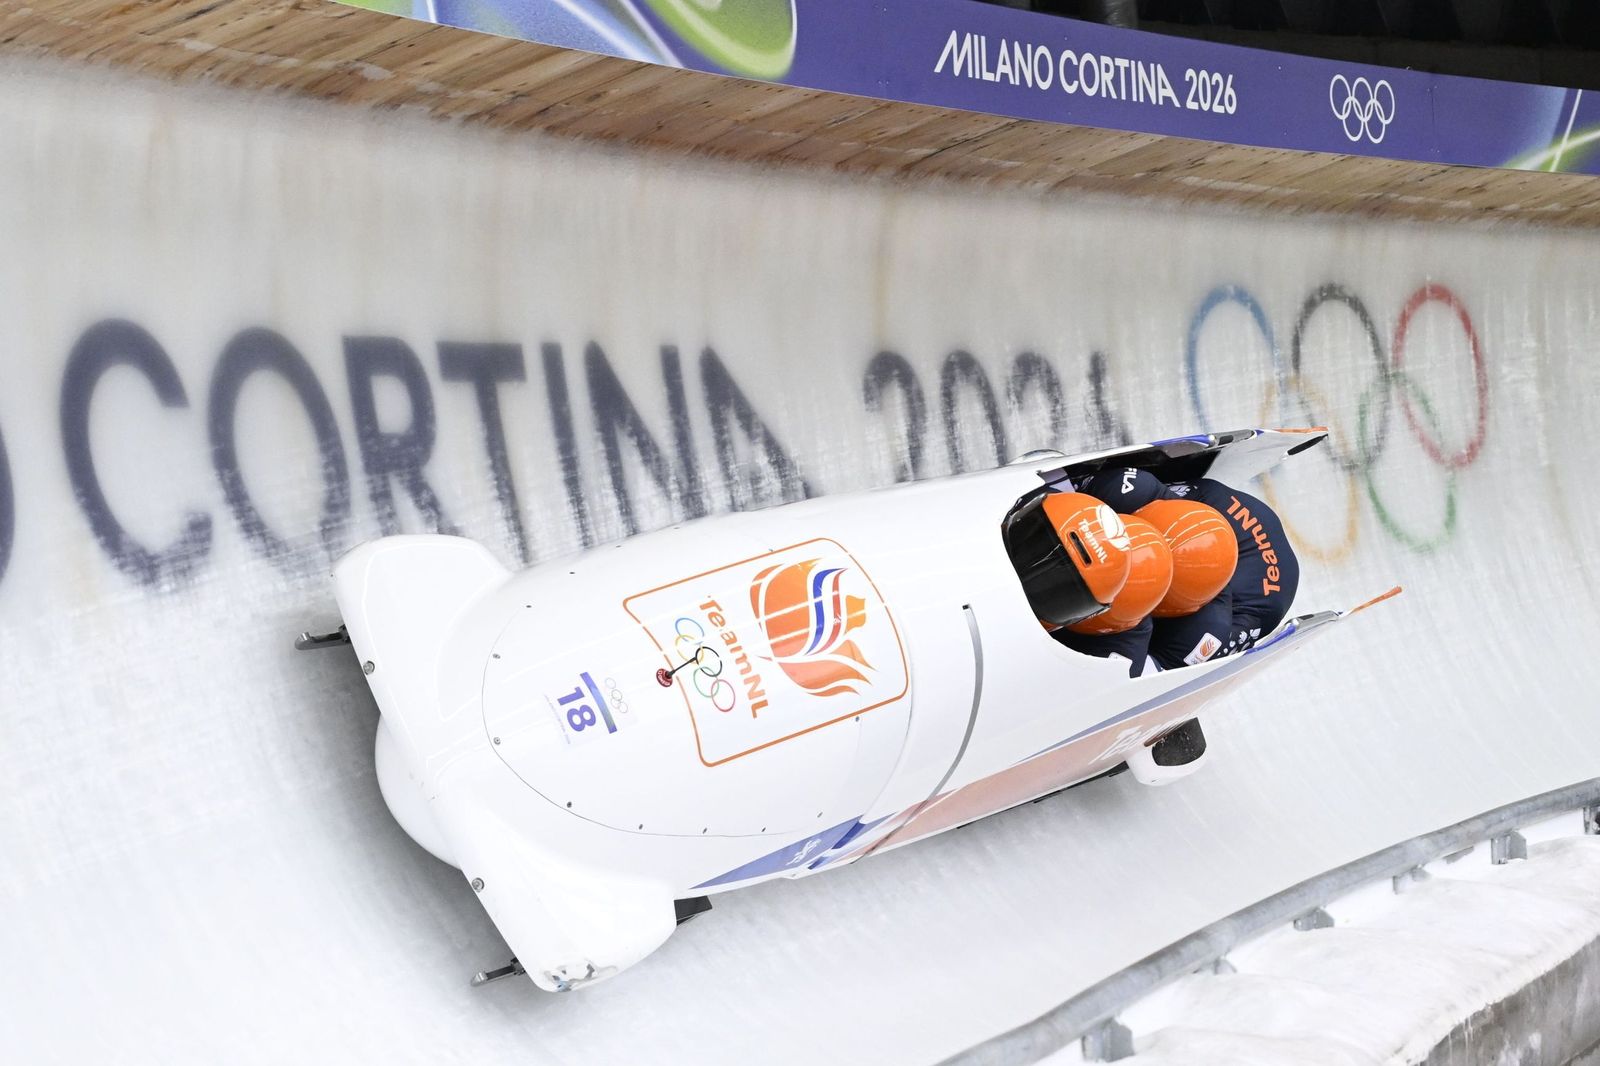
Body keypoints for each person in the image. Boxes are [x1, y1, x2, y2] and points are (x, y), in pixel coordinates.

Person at [1078, 466, 1300, 671]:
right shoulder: (1131, 490)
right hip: (1205, 502)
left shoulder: (1205, 632)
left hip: (1261, 601)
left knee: (1202, 655)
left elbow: (1147, 680)